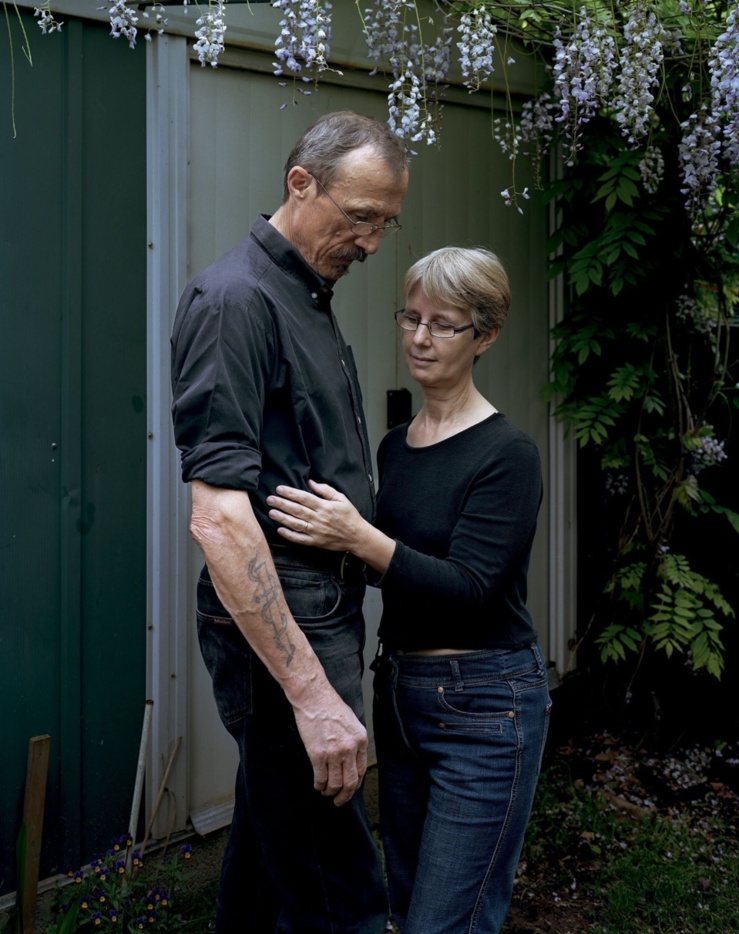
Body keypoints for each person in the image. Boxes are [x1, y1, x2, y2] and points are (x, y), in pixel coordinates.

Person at [170, 111, 409, 934]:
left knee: (274, 852)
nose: (373, 242)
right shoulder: (236, 301)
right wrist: (309, 694)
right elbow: (219, 518)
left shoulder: (306, 291)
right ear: (299, 183)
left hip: (325, 605)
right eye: (361, 217)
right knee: (337, 881)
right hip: (286, 617)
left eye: (385, 222)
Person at [266, 246, 552, 934]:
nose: (420, 338)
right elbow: (390, 568)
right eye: (410, 318)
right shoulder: (396, 445)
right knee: (401, 908)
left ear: (484, 336)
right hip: (399, 697)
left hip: (485, 705)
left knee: (443, 922)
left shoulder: (506, 454)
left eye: (444, 324)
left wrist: (355, 535)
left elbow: (468, 588)